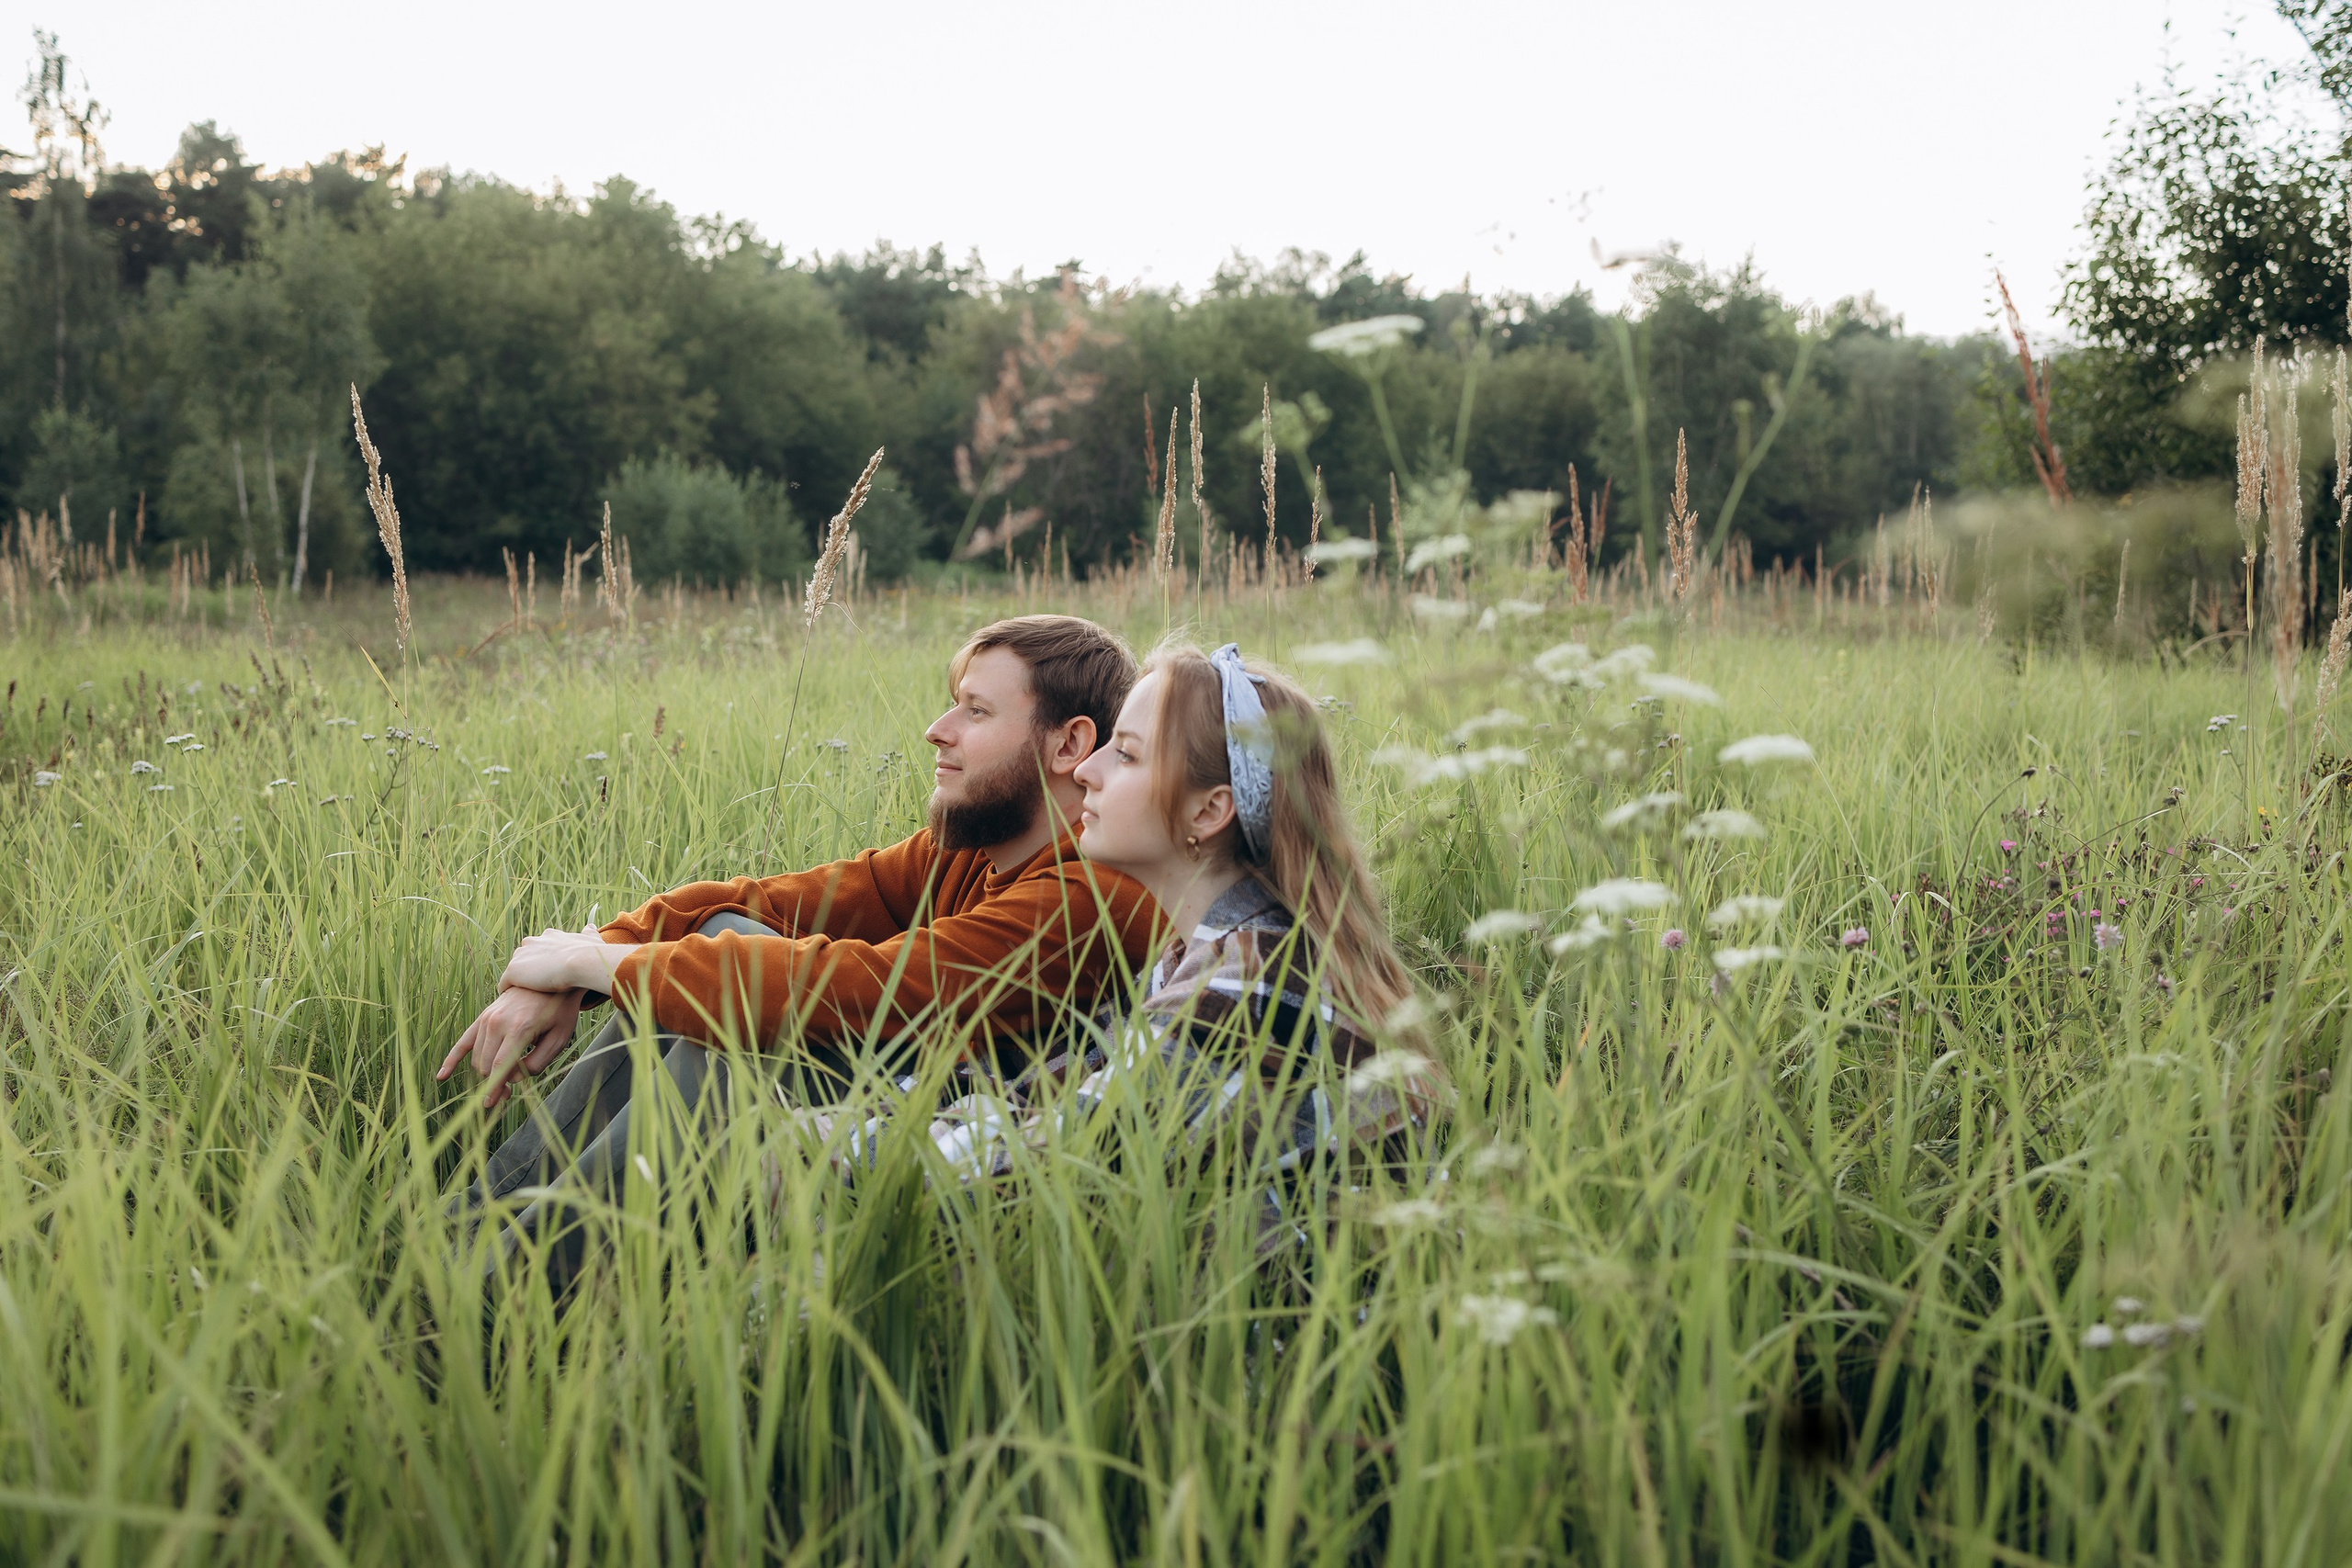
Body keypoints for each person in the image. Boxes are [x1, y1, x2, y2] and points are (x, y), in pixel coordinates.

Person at [441, 614, 1160, 1286]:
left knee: (723, 1047)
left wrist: (597, 966)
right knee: (727, 941)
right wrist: (602, 948)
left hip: (969, 1150)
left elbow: (877, 987)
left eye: (975, 712)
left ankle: (493, 1298)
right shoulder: (977, 849)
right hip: (917, 1090)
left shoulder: (1097, 893)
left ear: (1068, 745)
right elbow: (774, 903)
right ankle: (454, 1240)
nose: (936, 731)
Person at [820, 640, 1447, 1218]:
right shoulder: (1196, 954)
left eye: (1125, 753)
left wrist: (809, 1146)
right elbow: (1040, 1091)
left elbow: (1039, 1163)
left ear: (1208, 810)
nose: (1087, 771)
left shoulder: (1253, 983)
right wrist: (842, 1122)